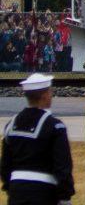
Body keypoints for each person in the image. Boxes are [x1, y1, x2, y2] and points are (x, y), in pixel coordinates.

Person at [0, 73, 73, 205]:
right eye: (50, 91)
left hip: (17, 191)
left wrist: (9, 186)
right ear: (45, 95)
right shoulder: (55, 126)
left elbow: (5, 163)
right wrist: (65, 194)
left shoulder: (11, 125)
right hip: (44, 192)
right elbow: (62, 166)